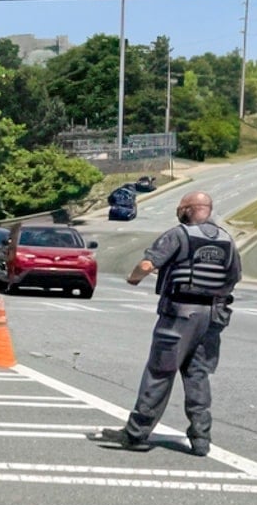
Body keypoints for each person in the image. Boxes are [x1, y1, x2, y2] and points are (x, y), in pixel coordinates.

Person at [89, 190, 241, 456]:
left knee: (160, 372)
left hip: (180, 314)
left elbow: (148, 265)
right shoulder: (227, 240)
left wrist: (133, 278)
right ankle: (201, 438)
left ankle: (136, 433)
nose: (179, 211)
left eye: (181, 207)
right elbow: (233, 276)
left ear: (190, 209)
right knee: (197, 375)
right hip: (213, 316)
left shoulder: (179, 235)